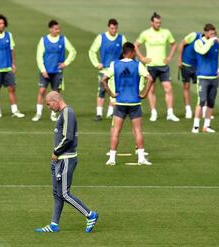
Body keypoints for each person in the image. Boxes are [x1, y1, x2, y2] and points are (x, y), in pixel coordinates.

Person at [35, 91, 98, 233]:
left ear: (55, 100)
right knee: (57, 193)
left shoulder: (68, 112)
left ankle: (90, 215)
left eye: (48, 104)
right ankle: (53, 225)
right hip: (60, 160)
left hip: (66, 159)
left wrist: (56, 152)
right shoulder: (63, 113)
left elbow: (68, 137)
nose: (48, 107)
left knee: (64, 193)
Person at [102, 42, 153, 165]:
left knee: (116, 130)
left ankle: (112, 158)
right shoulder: (138, 65)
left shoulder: (114, 64)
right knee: (138, 131)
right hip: (134, 103)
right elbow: (150, 78)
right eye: (134, 51)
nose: (136, 53)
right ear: (130, 52)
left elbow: (104, 79)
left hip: (120, 102)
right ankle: (141, 158)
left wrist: (111, 94)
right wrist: (145, 94)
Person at [135, 12, 179, 122]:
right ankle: (153, 112)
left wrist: (169, 57)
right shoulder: (146, 34)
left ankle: (170, 113)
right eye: (156, 22)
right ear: (152, 23)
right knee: (151, 90)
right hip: (151, 66)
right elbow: (135, 45)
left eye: (160, 22)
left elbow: (174, 44)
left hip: (163, 66)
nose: (158, 24)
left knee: (168, 88)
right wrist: (141, 58)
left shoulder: (166, 32)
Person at [32, 20, 77, 122]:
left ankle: (53, 114)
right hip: (46, 71)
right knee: (42, 91)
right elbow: (39, 56)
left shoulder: (63, 39)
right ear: (51, 29)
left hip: (57, 71)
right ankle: (38, 113)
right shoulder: (43, 40)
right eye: (56, 29)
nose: (58, 30)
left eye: (59, 28)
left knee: (56, 93)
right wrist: (43, 70)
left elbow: (73, 51)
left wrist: (65, 63)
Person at [89, 18, 127, 121]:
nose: (114, 30)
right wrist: (97, 64)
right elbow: (92, 51)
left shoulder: (121, 38)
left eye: (116, 28)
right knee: (101, 91)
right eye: (112, 28)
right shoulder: (101, 38)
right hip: (104, 70)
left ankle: (111, 112)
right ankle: (99, 113)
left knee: (114, 91)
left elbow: (127, 52)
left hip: (117, 71)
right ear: (108, 27)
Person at [191, 24, 219, 133]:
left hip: (214, 77)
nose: (213, 36)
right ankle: (195, 126)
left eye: (214, 34)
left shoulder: (217, 44)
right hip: (203, 77)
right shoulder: (198, 43)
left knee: (211, 102)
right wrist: (211, 41)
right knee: (201, 101)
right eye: (211, 34)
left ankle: (207, 126)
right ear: (205, 33)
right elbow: (203, 51)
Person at [178, 31, 202, 119]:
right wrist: (179, 59)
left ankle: (202, 110)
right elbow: (181, 44)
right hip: (186, 65)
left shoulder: (208, 42)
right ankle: (188, 110)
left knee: (201, 88)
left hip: (197, 66)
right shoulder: (194, 36)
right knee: (186, 86)